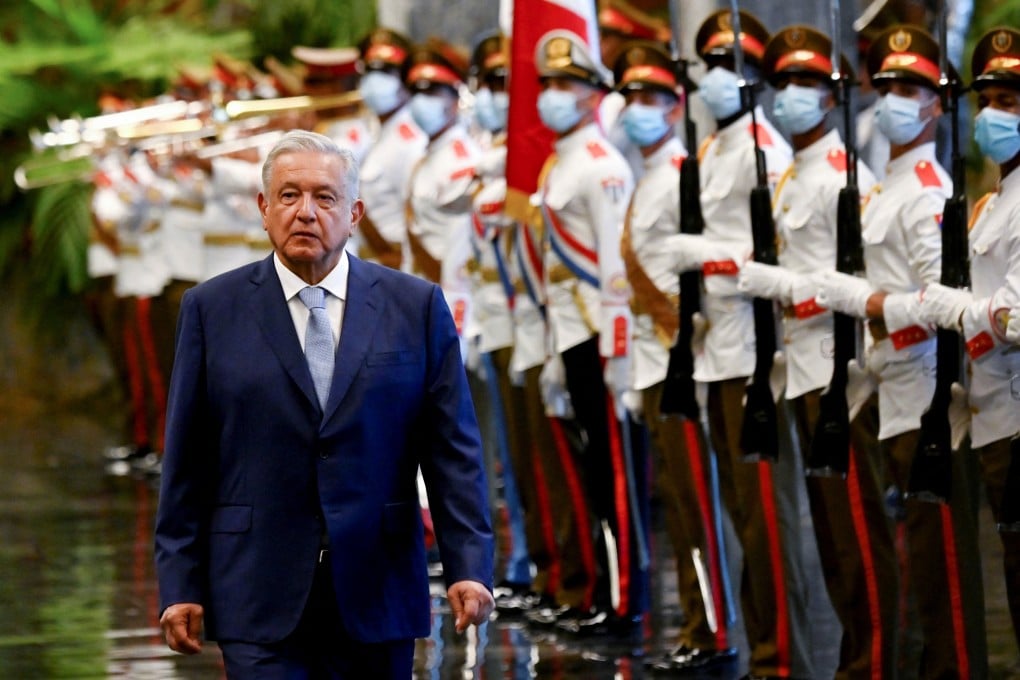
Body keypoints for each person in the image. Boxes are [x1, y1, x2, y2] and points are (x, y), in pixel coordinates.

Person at [154, 130, 495, 678]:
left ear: (354, 212)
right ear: (263, 209)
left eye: (325, 197)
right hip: (256, 595)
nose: (305, 212)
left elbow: (453, 451)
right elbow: (187, 462)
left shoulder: (415, 306)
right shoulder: (211, 311)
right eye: (289, 196)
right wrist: (178, 585)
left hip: (377, 588)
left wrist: (470, 567)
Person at [816, 24, 987, 678]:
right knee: (916, 561)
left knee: (942, 569)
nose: (893, 98)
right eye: (885, 86)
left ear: (936, 104)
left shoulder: (925, 190)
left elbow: (944, 303)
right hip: (888, 389)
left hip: (925, 393)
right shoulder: (889, 183)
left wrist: (871, 303)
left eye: (910, 88)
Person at [745, 25, 898, 679]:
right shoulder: (794, 172)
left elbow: (860, 281)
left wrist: (778, 286)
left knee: (861, 538)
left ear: (833, 96)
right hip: (802, 370)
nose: (793, 96)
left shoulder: (844, 176)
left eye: (808, 83)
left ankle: (877, 663)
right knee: (834, 538)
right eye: (784, 84)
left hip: (842, 372)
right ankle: (855, 659)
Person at [664, 11, 811, 679]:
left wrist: (710, 256)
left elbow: (774, 257)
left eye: (730, 65)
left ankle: (782, 657)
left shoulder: (765, 150)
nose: (717, 79)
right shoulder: (719, 148)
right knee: (742, 517)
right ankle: (763, 650)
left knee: (767, 522)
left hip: (755, 353)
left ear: (754, 75)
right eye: (710, 66)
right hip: (717, 352)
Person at [610, 40, 737, 674]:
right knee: (684, 509)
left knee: (697, 506)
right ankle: (699, 625)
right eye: (630, 97)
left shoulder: (684, 174)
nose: (638, 107)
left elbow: (694, 278)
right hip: (653, 362)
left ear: (676, 104)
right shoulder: (651, 174)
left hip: (679, 362)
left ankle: (713, 632)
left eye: (652, 98)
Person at [529, 29, 649, 639]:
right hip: (571, 336)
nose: (552, 94)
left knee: (617, 475)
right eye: (546, 84)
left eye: (565, 85)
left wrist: (618, 351)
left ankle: (626, 597)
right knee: (594, 474)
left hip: (601, 337)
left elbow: (615, 267)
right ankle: (603, 588)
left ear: (592, 94)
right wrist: (555, 351)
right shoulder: (563, 160)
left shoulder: (602, 166)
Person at [917, 24, 1020, 660]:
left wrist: (965, 309)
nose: (992, 115)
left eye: (1009, 101)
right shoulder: (996, 198)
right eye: (986, 100)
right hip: (993, 418)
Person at [351, 27, 426, 269]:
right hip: (370, 264)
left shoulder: (410, 141)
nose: (375, 80)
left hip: (395, 266)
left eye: (387, 71)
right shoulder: (378, 132)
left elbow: (417, 224)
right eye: (370, 70)